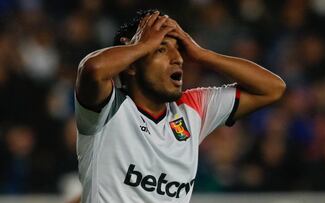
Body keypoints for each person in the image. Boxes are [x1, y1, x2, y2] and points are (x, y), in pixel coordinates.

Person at [74, 9, 286, 203]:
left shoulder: (191, 109)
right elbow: (93, 69)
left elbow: (273, 88)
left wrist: (203, 55)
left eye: (179, 49)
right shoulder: (106, 110)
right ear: (131, 63)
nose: (178, 59)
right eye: (161, 50)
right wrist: (142, 45)